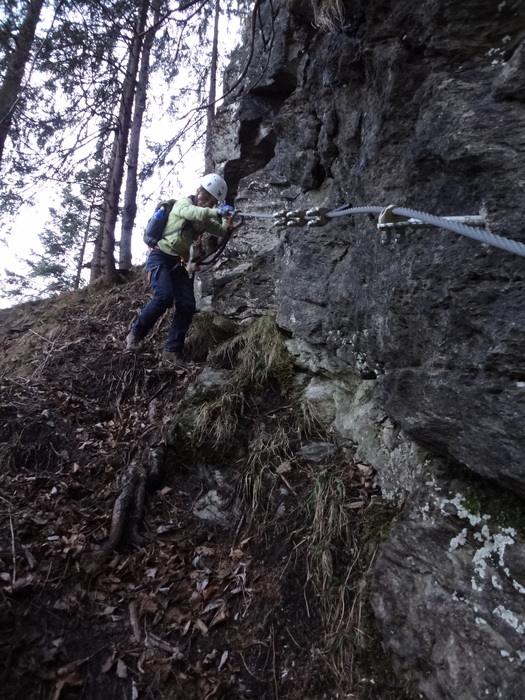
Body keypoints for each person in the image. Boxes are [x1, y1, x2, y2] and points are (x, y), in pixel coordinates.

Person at [126, 173, 233, 365]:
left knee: (186, 305)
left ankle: (172, 350)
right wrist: (217, 212)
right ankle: (135, 334)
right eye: (205, 196)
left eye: (212, 201)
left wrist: (228, 217)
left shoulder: (205, 218)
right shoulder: (183, 204)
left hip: (180, 263)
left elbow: (222, 231)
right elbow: (194, 213)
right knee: (164, 296)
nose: (207, 202)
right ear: (198, 191)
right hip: (159, 256)